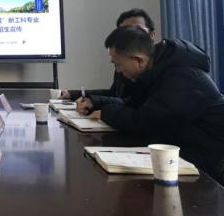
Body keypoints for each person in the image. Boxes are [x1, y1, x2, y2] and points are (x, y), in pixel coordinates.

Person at [88, 26, 224, 183]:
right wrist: (98, 103)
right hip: (185, 146)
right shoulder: (154, 72)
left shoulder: (181, 77)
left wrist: (106, 112)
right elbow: (132, 105)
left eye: (118, 64)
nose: (118, 71)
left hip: (211, 157)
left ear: (138, 60)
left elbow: (145, 122)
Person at [62, 8, 157, 111]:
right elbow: (115, 95)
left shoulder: (162, 68)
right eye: (124, 32)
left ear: (152, 35)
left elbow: (138, 109)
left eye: (137, 30)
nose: (130, 36)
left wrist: (102, 110)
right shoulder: (123, 62)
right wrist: (73, 94)